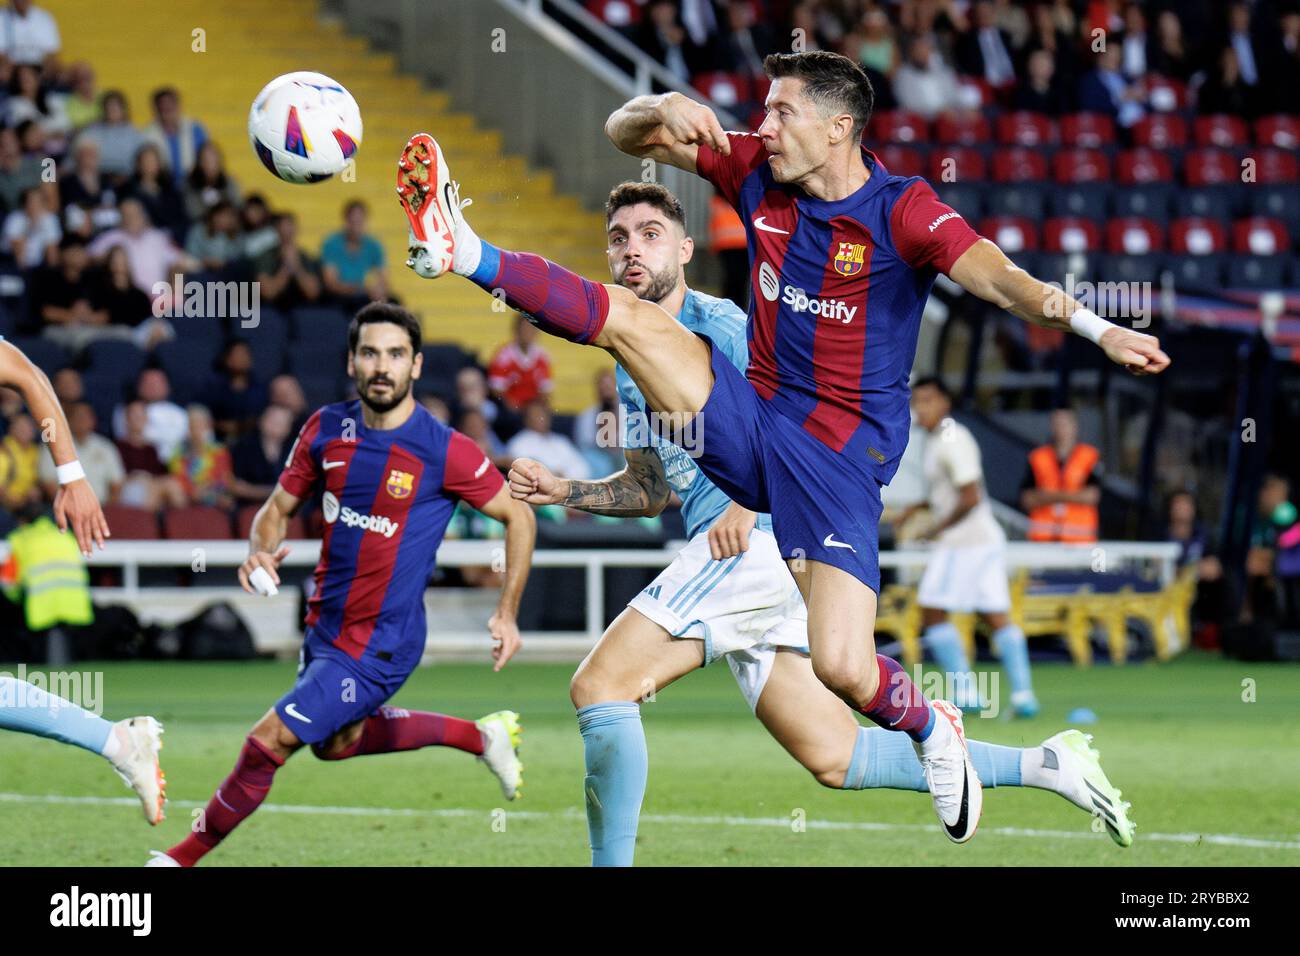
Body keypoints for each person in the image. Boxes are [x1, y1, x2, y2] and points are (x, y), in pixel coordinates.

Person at [398, 50, 1169, 841]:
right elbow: (623, 130)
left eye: (780, 113)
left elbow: (1001, 279)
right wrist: (662, 102)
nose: (761, 127)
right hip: (756, 426)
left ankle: (937, 729)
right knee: (631, 322)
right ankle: (461, 249)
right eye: (761, 112)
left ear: (839, 128)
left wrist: (1096, 325)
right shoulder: (754, 170)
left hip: (836, 463)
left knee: (842, 680)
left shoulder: (904, 212)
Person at [507, 181, 1132, 864]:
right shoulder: (627, 360)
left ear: (684, 249)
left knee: (600, 687)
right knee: (836, 756)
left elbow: (786, 430)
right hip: (743, 556)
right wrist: (564, 488)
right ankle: (1046, 763)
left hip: (762, 543)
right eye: (620, 237)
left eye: (650, 234)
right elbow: (652, 487)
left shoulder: (724, 327)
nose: (633, 250)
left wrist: (748, 500)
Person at [146, 303, 536, 867]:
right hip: (324, 627)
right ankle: (482, 737)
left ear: (417, 366)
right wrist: (259, 550)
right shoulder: (326, 429)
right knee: (336, 744)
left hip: (383, 642)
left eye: (396, 355)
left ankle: (176, 861)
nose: (383, 366)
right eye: (371, 353)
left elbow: (519, 517)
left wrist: (507, 612)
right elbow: (275, 510)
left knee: (269, 742)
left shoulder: (444, 449)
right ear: (351, 360)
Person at [0, 505, 163, 826]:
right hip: (77, 610)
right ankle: (118, 741)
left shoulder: (22, 540)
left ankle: (118, 742)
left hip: (44, 611)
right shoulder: (56, 538)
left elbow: (13, 585)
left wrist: (70, 472)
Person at [897, 377, 1038, 717]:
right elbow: (948, 494)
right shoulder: (937, 439)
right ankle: (1023, 696)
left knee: (932, 609)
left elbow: (970, 496)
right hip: (980, 539)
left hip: (965, 542)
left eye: (928, 400)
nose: (921, 408)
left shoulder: (952, 437)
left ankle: (967, 693)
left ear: (946, 402)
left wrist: (934, 529)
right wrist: (917, 508)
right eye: (917, 401)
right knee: (994, 615)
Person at [1020, 407, 1101, 543]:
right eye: (1056, 424)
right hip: (1044, 540)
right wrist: (1073, 496)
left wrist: (1048, 496)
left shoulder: (1089, 456)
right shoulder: (1038, 457)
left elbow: (1092, 496)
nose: (1060, 429)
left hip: (1080, 540)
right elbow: (1027, 499)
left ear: (1075, 426)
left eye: (1064, 424)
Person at [37, 401, 123, 505]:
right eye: (77, 417)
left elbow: (116, 484)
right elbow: (48, 483)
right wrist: (73, 509)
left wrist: (103, 511)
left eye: (86, 417)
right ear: (67, 419)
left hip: (101, 510)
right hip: (64, 510)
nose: (82, 421)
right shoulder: (53, 446)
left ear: (93, 420)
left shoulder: (106, 447)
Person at [320, 199, 388, 307]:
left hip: (362, 296)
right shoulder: (331, 244)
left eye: (359, 221)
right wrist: (360, 289)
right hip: (339, 298)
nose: (356, 226)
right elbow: (331, 283)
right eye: (353, 221)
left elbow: (383, 278)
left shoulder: (373, 245)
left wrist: (378, 290)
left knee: (393, 302)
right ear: (346, 220)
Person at [503, 399, 590, 481]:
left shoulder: (561, 441)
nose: (542, 418)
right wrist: (555, 476)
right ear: (526, 419)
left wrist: (564, 478)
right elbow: (526, 472)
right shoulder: (518, 443)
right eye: (536, 415)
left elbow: (583, 468)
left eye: (544, 414)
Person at [168, 404, 233, 509]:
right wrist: (192, 491)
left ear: (208, 427)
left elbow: (223, 478)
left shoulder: (219, 450)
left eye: (201, 425)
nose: (197, 430)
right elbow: (177, 477)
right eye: (193, 426)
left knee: (227, 500)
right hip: (186, 497)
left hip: (213, 494)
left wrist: (205, 488)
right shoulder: (179, 451)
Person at [141, 86, 209, 185]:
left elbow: (205, 160)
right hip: (162, 186)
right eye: (163, 108)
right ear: (156, 110)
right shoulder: (147, 135)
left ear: (178, 106)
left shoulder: (195, 129)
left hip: (194, 184)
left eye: (170, 106)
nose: (167, 111)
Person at [487, 314, 553, 411]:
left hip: (532, 410)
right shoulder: (503, 356)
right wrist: (517, 409)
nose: (528, 333)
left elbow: (546, 391)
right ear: (516, 331)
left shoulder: (543, 356)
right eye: (525, 329)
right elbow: (497, 391)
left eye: (531, 329)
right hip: (509, 410)